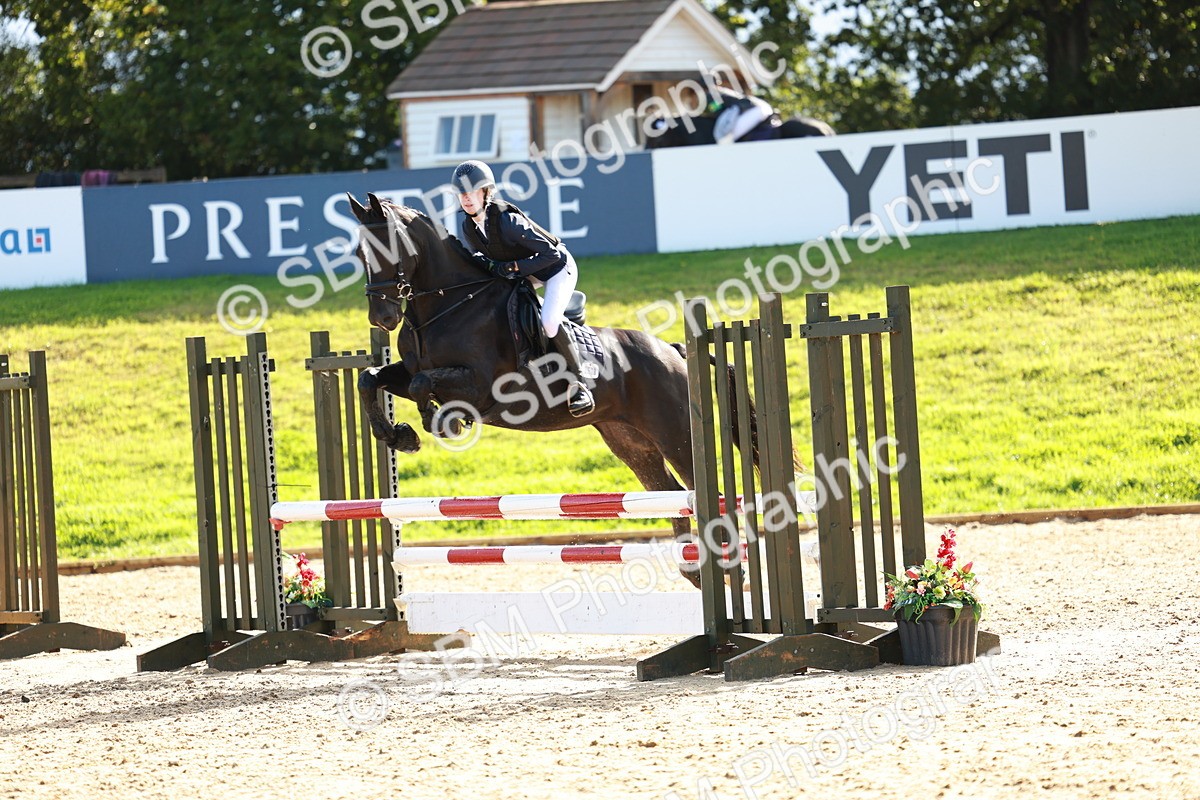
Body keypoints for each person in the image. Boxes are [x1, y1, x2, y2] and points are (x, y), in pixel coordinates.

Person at [451, 160, 595, 417]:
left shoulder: (508, 220)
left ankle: (580, 383)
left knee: (549, 322)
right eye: (462, 194)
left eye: (472, 192)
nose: (466, 199)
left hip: (557, 268)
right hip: (525, 274)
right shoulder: (468, 228)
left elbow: (551, 254)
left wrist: (513, 268)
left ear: (485, 192)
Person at [703, 83, 777, 145]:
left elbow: (716, 109)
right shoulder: (717, 93)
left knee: (723, 140)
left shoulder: (715, 94)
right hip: (760, 110)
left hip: (759, 111)